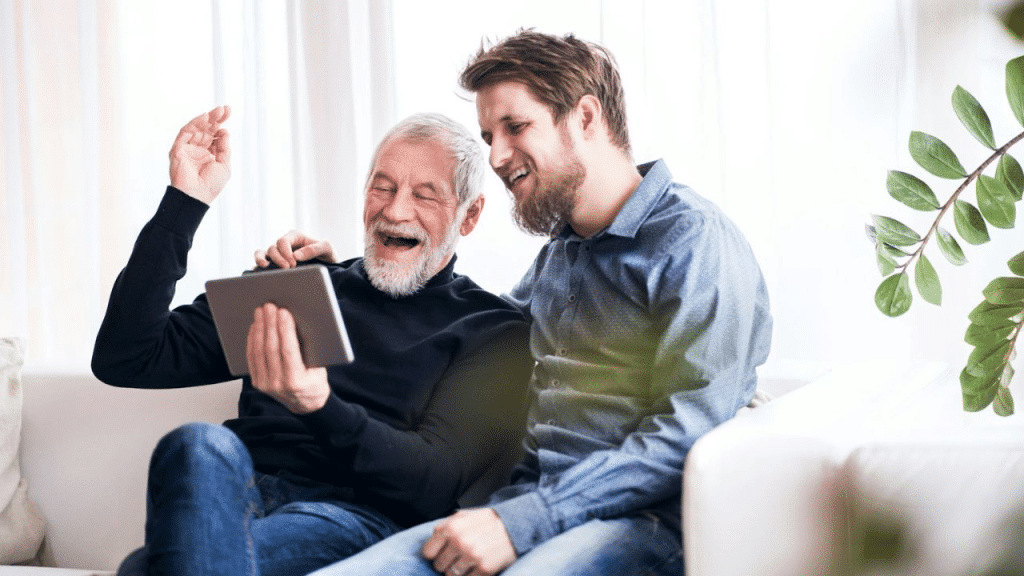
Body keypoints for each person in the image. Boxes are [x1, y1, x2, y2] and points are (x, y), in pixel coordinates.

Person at [273, 29, 773, 576]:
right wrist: (351, 276)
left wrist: (526, 520)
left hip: (634, 522)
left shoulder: (694, 243)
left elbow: (689, 431)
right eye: (488, 135)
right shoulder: (562, 254)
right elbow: (476, 326)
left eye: (515, 127)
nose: (496, 155)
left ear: (585, 118)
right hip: (516, 505)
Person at [91, 107, 534, 576]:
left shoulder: (492, 330)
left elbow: (432, 485)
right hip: (236, 493)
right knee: (196, 444)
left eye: (425, 196)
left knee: (148, 568)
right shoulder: (302, 285)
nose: (395, 210)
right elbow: (126, 357)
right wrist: (185, 201)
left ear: (470, 215)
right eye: (382, 188)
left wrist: (318, 405)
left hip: (348, 518)